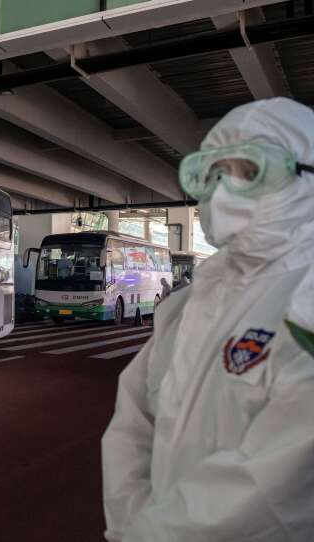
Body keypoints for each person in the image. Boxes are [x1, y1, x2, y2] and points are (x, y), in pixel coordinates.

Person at [102, 98, 314, 542]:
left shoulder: (305, 305)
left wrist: (149, 534)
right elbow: (131, 424)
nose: (222, 193)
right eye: (214, 175)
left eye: (248, 172)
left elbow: (280, 484)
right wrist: (130, 524)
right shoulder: (185, 306)